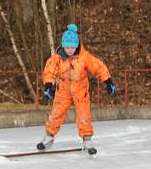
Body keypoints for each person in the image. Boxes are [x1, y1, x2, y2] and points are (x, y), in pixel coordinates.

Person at [37, 23, 116, 153]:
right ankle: (48, 137)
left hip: (81, 91)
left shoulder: (84, 57)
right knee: (56, 114)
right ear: (63, 45)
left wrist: (108, 81)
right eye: (67, 47)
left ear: (77, 46)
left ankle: (87, 140)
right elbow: (49, 70)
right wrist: (48, 85)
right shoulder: (58, 58)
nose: (69, 50)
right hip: (63, 90)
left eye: (72, 47)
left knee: (84, 115)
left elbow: (98, 67)